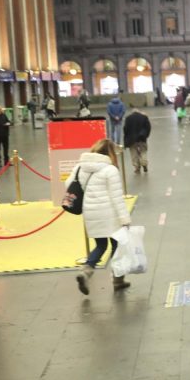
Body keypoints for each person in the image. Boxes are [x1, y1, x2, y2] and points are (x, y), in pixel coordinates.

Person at [71, 138, 132, 295]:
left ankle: (85, 272)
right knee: (117, 246)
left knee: (100, 245)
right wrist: (125, 219)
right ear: (111, 153)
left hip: (90, 213)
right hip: (109, 213)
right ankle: (118, 279)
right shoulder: (110, 170)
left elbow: (69, 185)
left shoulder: (80, 167)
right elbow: (116, 197)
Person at [123, 105, 151, 174]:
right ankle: (144, 164)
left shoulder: (128, 118)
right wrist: (146, 135)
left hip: (131, 139)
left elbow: (125, 129)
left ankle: (137, 167)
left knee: (134, 153)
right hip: (142, 138)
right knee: (143, 151)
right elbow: (148, 127)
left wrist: (126, 139)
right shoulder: (144, 117)